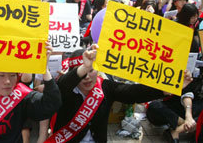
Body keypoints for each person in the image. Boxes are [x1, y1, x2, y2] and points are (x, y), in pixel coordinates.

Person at [49, 47, 193, 143]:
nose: (86, 77)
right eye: (82, 72)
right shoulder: (64, 89)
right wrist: (85, 66)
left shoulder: (104, 87)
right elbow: (62, 84)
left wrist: (166, 87)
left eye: (91, 70)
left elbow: (132, 93)